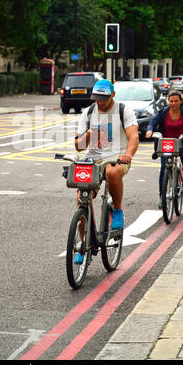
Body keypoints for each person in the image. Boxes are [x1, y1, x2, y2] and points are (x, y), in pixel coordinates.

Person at [74, 79, 139, 263]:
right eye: (96, 98)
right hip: (93, 158)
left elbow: (133, 135)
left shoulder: (123, 109)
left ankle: (117, 211)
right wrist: (88, 134)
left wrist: (128, 154)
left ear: (112, 95)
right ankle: (84, 245)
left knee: (111, 172)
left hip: (118, 157)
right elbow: (79, 147)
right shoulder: (88, 113)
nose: (100, 102)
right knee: (82, 199)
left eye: (103, 98)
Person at [145, 91, 183, 209]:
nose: (173, 103)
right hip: (167, 141)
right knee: (163, 167)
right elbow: (153, 122)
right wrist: (150, 130)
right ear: (168, 101)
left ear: (180, 101)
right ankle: (162, 197)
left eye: (176, 101)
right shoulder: (164, 111)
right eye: (171, 101)